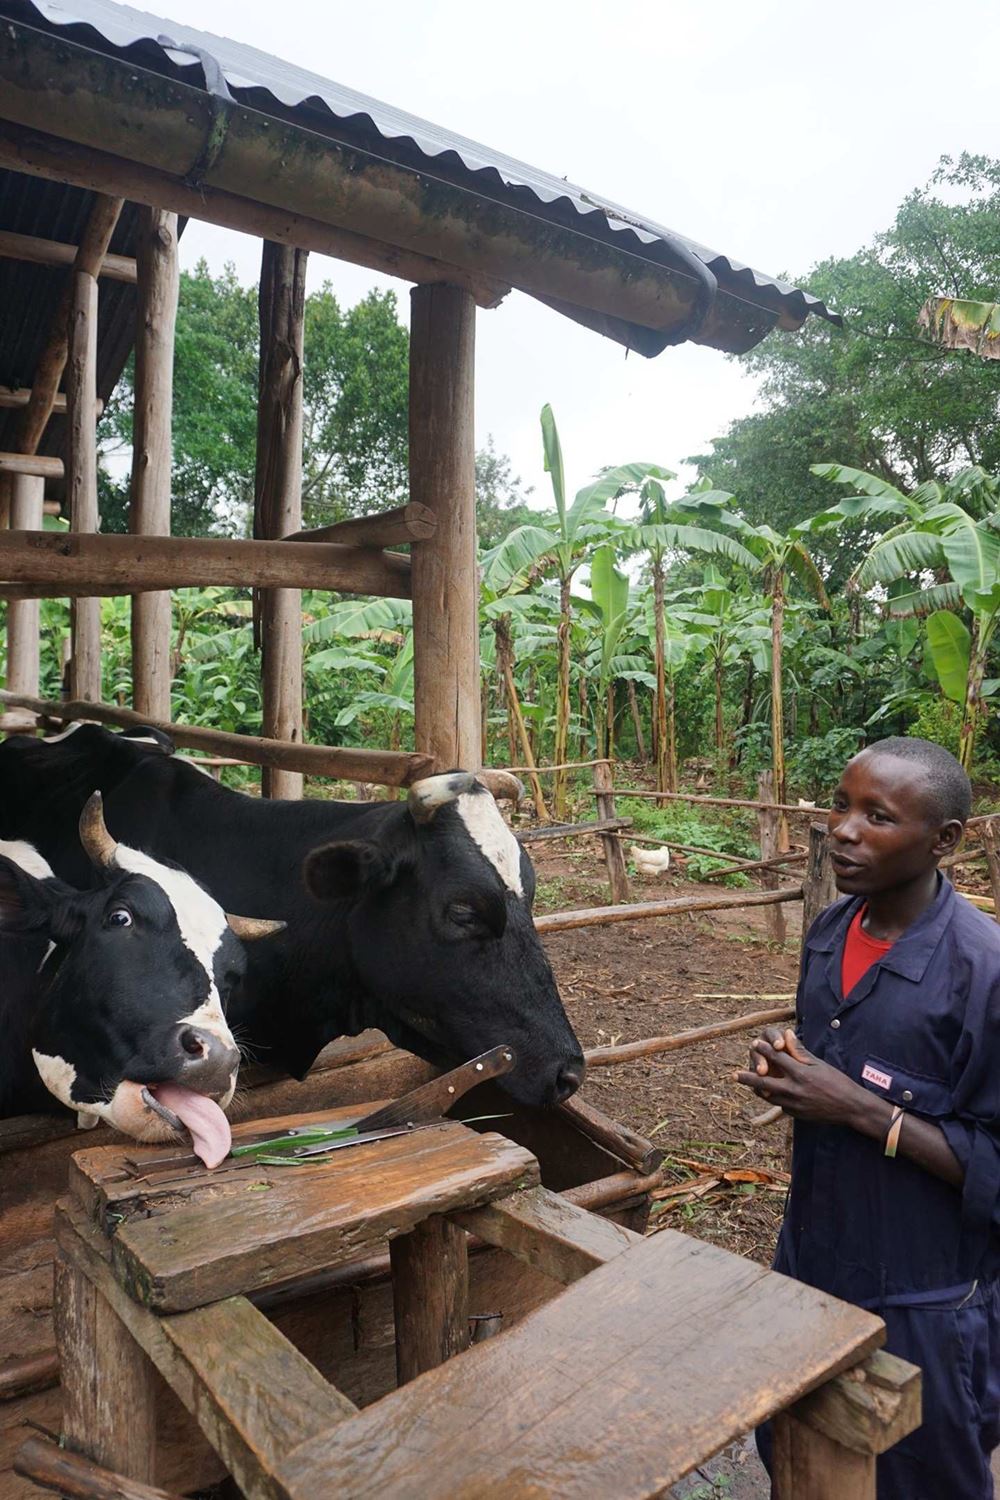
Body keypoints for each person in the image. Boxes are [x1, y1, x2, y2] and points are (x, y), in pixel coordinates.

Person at [737, 737, 1000, 1500]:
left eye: (877, 816)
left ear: (944, 840)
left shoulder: (981, 976)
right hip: (811, 1261)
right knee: (794, 1451)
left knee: (919, 1480)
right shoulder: (831, 931)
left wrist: (856, 1108)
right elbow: (835, 1056)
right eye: (842, 805)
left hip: (925, 1300)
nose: (844, 829)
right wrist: (791, 1068)